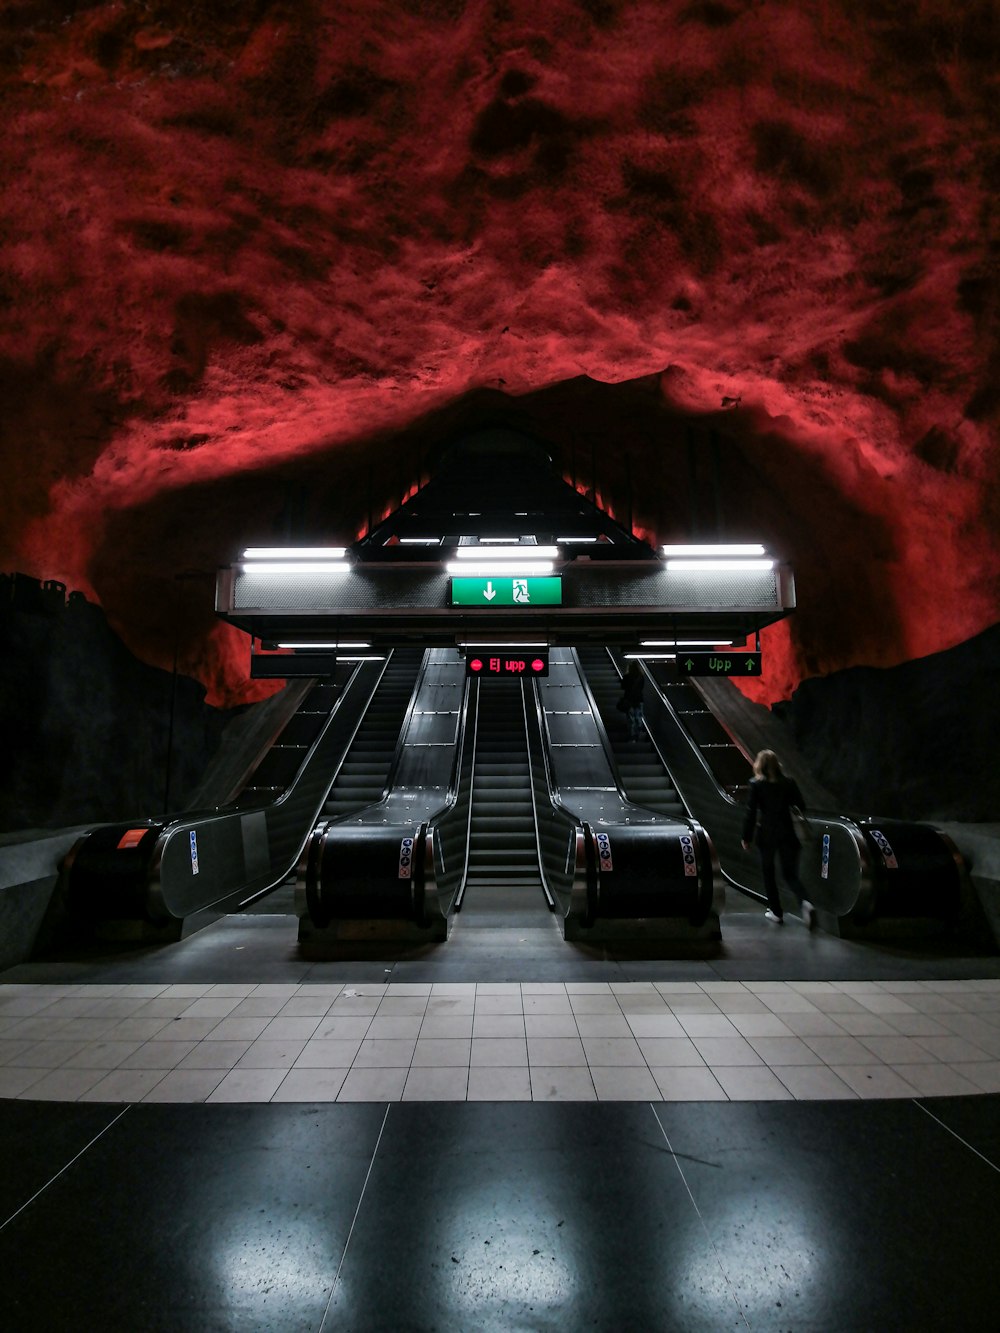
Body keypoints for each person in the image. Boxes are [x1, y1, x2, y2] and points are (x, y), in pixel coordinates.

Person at [740, 749, 815, 928]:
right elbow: (801, 806)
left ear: (760, 765)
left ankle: (776, 912)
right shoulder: (789, 782)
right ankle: (806, 902)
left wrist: (746, 836)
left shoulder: (756, 784)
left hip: (767, 834)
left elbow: (751, 813)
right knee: (790, 874)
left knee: (768, 872)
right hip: (788, 832)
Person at [621, 660, 645, 741]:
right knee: (638, 717)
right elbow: (641, 688)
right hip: (639, 700)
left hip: (629, 700)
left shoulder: (627, 676)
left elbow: (623, 686)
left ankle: (631, 736)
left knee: (631, 718)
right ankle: (638, 734)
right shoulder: (641, 677)